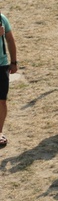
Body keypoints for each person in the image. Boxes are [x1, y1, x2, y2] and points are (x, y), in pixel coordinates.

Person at [0, 9, 17, 148]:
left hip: (2, 65)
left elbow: (10, 40)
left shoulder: (2, 18)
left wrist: (14, 62)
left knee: (2, 101)